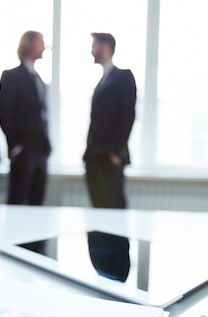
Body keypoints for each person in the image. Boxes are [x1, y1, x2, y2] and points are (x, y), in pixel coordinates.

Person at [84, 32, 136, 209]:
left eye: (94, 46)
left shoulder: (123, 77)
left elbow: (127, 116)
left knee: (113, 207)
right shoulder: (103, 80)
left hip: (109, 157)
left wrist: (115, 151)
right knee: (98, 209)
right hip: (94, 157)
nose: (92, 51)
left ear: (106, 47)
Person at [0, 31, 51, 205]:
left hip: (40, 151)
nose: (44, 47)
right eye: (40, 42)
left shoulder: (39, 79)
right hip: (23, 152)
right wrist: (15, 146)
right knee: (17, 200)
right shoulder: (11, 76)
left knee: (37, 201)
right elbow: (5, 112)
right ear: (28, 44)